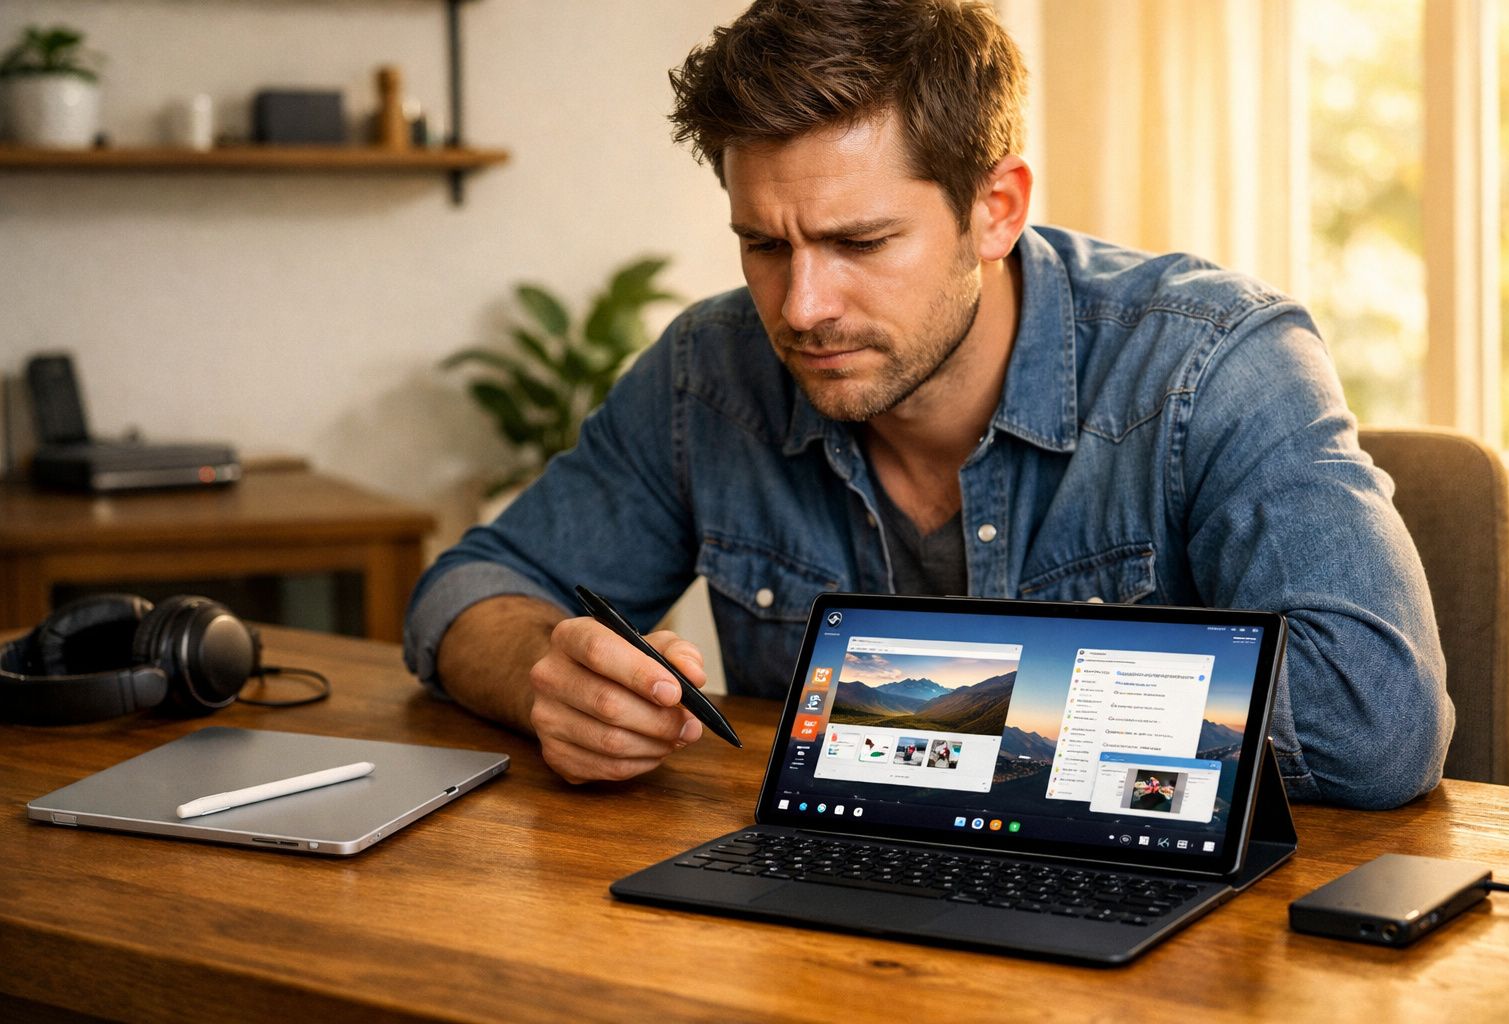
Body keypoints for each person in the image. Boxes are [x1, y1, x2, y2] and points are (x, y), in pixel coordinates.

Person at [405, 0, 1452, 809]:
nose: (802, 308)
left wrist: (947, 708)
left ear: (996, 209)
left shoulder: (1216, 359)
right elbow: (468, 590)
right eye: (764, 244)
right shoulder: (708, 371)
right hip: (819, 929)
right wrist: (548, 677)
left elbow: (1374, 724)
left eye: (860, 242)